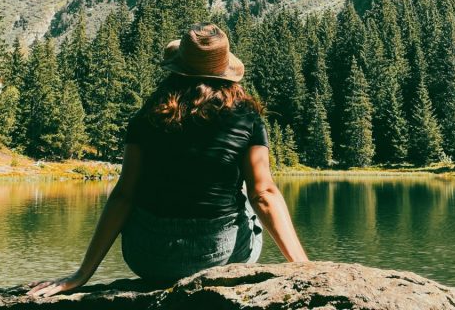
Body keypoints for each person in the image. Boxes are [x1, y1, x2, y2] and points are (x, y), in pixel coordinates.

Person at [27, 23, 309, 298]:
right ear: (226, 74)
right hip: (220, 258)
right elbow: (264, 195)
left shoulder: (147, 117)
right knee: (248, 194)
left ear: (178, 69)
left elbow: (124, 195)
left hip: (150, 259)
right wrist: (305, 268)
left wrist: (81, 274)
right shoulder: (246, 118)